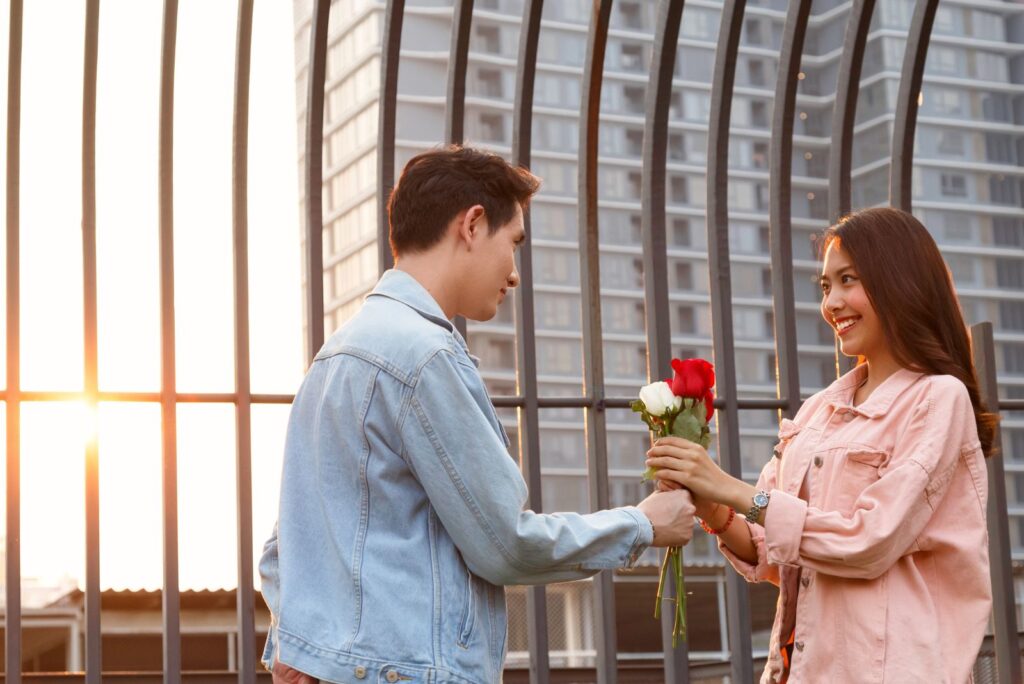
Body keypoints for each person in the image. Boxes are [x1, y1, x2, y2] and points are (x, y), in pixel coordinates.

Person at [260, 145, 697, 684]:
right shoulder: (424, 356)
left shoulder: (335, 356)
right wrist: (642, 524)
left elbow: (283, 548)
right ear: (472, 224)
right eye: (513, 243)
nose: (514, 274)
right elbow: (505, 544)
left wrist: (301, 647)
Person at [645, 207, 995, 683]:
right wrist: (708, 500)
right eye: (826, 286)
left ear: (899, 280)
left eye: (848, 280)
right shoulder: (816, 413)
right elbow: (773, 550)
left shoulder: (937, 398)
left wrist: (729, 488)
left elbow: (868, 540)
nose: (832, 303)